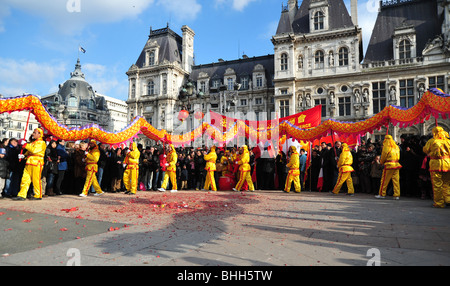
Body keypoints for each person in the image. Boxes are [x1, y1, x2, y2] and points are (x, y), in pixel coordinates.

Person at [14, 128, 47, 201]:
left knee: (36, 180)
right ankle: (22, 195)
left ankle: (38, 195)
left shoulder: (42, 143)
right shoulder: (33, 143)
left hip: (36, 163)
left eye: (35, 133)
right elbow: (29, 152)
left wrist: (26, 145)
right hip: (29, 162)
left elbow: (34, 150)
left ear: (39, 134)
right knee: (25, 179)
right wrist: (24, 156)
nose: (33, 134)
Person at [423, 126, 450, 208]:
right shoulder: (448, 141)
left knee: (437, 184)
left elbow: (425, 150)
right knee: (447, 183)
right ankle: (448, 199)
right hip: (447, 163)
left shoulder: (432, 141)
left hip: (436, 164)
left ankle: (439, 202)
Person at [375, 135, 402, 200]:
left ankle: (382, 194)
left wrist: (381, 162)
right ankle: (396, 195)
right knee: (396, 181)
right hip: (396, 164)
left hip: (389, 165)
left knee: (384, 180)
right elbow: (398, 156)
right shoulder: (396, 147)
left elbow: (383, 156)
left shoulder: (386, 147)